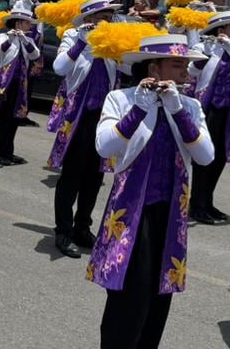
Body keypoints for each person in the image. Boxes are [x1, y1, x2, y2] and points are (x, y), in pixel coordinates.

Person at [89, 34, 214, 348]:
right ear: (154, 68)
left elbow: (205, 155)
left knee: (160, 294)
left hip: (171, 213)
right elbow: (105, 147)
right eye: (177, 64)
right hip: (131, 213)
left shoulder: (189, 104)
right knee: (129, 296)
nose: (186, 72)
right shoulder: (121, 98)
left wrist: (178, 111)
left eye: (187, 64)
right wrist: (138, 111)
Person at [47, 0, 120, 258]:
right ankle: (63, 232)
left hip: (104, 119)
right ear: (89, 19)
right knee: (71, 178)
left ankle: (82, 227)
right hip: (77, 119)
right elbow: (59, 67)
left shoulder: (112, 40)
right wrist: (80, 42)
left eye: (110, 17)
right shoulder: (71, 36)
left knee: (94, 177)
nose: (108, 22)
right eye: (103, 17)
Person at [188, 11, 230, 225]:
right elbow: (192, 70)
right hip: (208, 109)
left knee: (218, 158)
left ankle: (207, 202)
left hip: (227, 110)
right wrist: (207, 51)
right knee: (205, 157)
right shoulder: (203, 47)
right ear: (221, 30)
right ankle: (196, 205)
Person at [0, 4, 41, 165]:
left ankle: (8, 153)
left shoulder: (28, 39)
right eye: (26, 23)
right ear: (18, 23)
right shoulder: (3, 37)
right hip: (5, 85)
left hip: (20, 86)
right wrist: (10, 39)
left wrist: (23, 39)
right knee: (5, 120)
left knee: (15, 119)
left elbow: (35, 54)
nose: (29, 26)